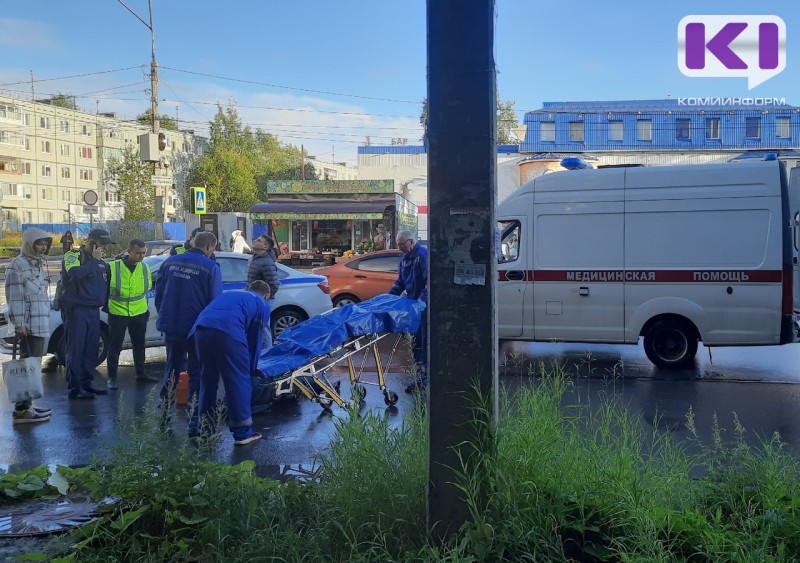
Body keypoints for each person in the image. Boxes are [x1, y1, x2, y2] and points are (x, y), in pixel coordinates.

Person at [191, 280, 271, 445]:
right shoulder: (261, 304)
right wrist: (250, 369)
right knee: (238, 381)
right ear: (267, 296)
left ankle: (205, 428)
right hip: (228, 331)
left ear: (249, 288)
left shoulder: (232, 294)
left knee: (208, 380)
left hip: (201, 330)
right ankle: (242, 434)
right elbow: (255, 341)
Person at [155, 231, 222, 425]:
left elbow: (159, 296)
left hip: (172, 325)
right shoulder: (211, 267)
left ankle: (164, 411)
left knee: (172, 369)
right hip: (196, 328)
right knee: (196, 371)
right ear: (210, 246)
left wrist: (165, 317)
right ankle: (195, 419)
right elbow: (215, 302)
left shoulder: (169, 262)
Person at [4, 228, 53, 423]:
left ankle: (28, 406)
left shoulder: (38, 265)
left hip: (40, 323)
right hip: (28, 326)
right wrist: (19, 324)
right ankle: (21, 410)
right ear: (29, 244)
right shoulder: (18, 265)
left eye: (45, 244)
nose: (42, 247)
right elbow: (14, 298)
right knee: (26, 364)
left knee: (33, 365)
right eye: (39, 244)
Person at [60, 229, 113, 399]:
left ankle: (87, 383)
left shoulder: (102, 263)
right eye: (101, 244)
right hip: (76, 310)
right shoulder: (73, 255)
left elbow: (103, 287)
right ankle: (75, 387)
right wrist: (93, 261)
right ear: (91, 242)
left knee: (91, 348)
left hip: (93, 311)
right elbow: (74, 274)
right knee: (76, 348)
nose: (104, 247)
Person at [105, 239, 159, 390]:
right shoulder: (113, 267)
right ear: (129, 251)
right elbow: (104, 290)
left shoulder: (144, 268)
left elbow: (147, 287)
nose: (141, 256)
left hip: (139, 312)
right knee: (115, 346)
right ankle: (112, 378)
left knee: (139, 345)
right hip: (118, 312)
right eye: (138, 253)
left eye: (143, 253)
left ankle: (141, 374)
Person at [387, 230, 429, 393]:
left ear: (411, 242)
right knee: (415, 345)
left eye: (402, 245)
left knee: (425, 345)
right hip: (412, 309)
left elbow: (429, 282)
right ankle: (420, 379)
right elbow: (400, 283)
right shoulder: (404, 259)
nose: (400, 249)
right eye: (398, 245)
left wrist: (421, 302)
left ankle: (427, 381)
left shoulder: (422, 256)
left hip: (423, 308)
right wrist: (388, 298)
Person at [247, 234, 279, 348]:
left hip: (264, 299)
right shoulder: (253, 258)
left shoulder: (266, 262)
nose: (255, 241)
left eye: (259, 240)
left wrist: (264, 299)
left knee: (263, 326)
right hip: (254, 298)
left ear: (265, 247)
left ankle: (267, 354)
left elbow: (274, 284)